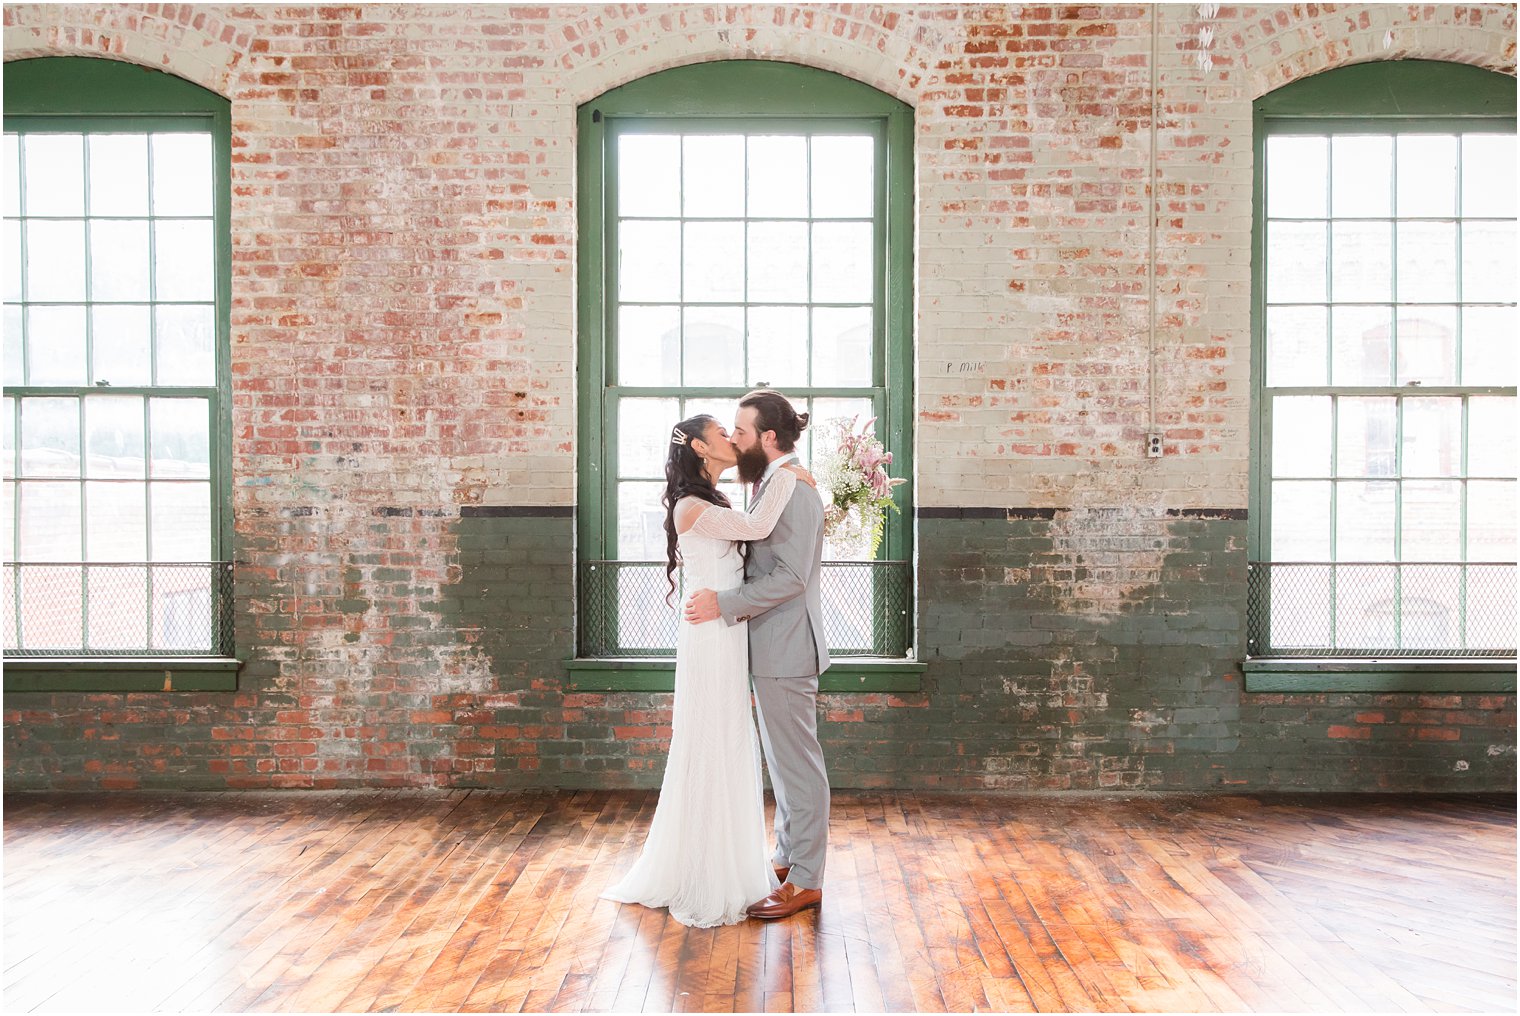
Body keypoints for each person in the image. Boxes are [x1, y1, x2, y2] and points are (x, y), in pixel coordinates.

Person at [600, 412, 813, 928]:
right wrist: (791, 474)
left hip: (726, 632)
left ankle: (729, 859)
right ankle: (704, 871)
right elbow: (760, 527)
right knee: (711, 740)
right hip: (711, 637)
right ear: (699, 446)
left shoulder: (715, 501)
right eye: (722, 433)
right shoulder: (692, 507)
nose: (731, 438)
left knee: (728, 740)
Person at [683, 389, 831, 921]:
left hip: (787, 648)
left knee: (799, 769)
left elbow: (791, 577)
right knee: (785, 767)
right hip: (769, 647)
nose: (735, 440)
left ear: (768, 438)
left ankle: (808, 880)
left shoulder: (793, 489)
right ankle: (791, 859)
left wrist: (723, 604)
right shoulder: (775, 485)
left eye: (741, 432)